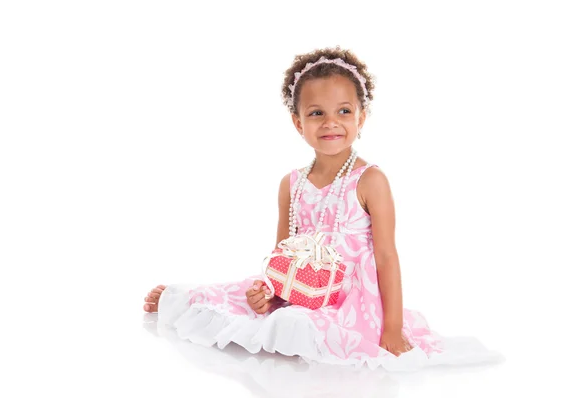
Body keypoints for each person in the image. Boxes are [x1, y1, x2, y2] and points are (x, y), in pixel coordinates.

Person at [143, 46, 501, 371]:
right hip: (300, 288)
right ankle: (183, 300)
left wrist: (390, 327)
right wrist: (269, 294)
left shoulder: (370, 180)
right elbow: (281, 254)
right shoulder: (291, 183)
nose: (331, 122)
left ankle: (303, 326)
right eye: (316, 113)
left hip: (349, 298)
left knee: (296, 326)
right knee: (241, 302)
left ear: (360, 118)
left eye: (344, 111)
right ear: (299, 123)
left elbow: (386, 257)